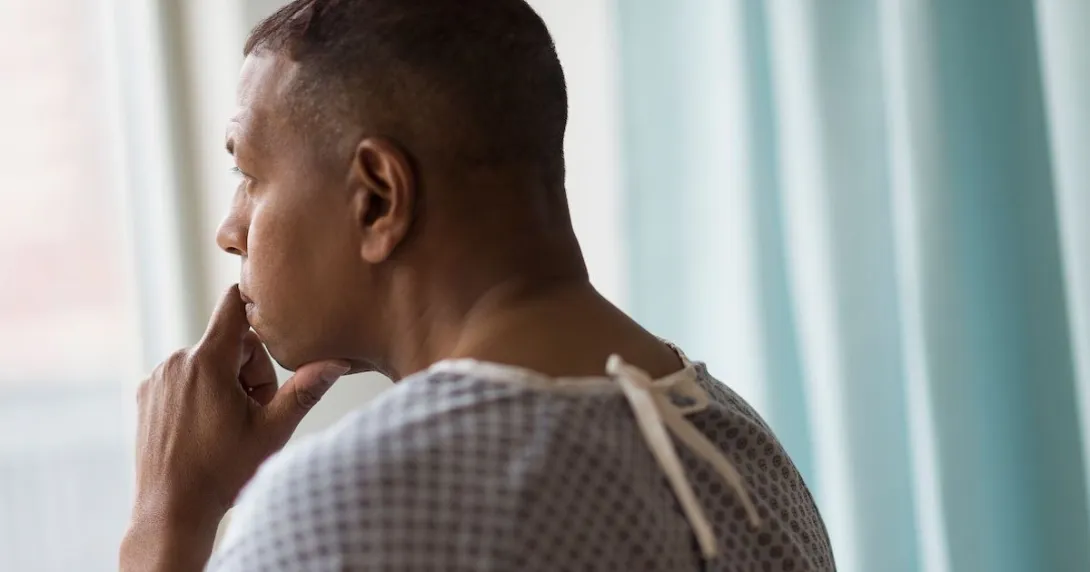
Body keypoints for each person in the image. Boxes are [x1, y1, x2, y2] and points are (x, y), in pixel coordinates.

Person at [119, 0, 835, 570]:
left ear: (376, 198)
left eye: (249, 176)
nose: (228, 229)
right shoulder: (744, 457)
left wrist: (166, 525)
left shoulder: (350, 513)